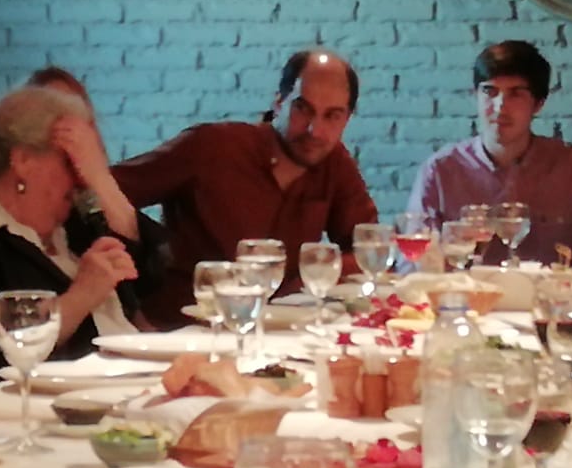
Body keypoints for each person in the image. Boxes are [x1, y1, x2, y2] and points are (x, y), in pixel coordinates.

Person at [113, 48, 379, 327]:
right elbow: (102, 193)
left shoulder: (333, 162)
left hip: (272, 331)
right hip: (181, 328)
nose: (315, 130)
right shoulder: (212, 146)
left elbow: (369, 252)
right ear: (279, 102)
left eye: (332, 116)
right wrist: (129, 285)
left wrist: (309, 275)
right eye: (303, 108)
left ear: (347, 119)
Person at [0, 85, 156, 378]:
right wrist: (82, 295)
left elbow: (156, 274)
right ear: (24, 161)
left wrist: (102, 180)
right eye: (71, 161)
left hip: (130, 381)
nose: (80, 179)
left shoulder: (73, 224)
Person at [407, 40, 572, 263]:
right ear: (476, 95)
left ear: (538, 104)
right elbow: (412, 265)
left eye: (515, 94)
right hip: (466, 285)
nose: (500, 106)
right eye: (490, 92)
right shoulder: (441, 170)